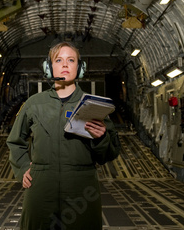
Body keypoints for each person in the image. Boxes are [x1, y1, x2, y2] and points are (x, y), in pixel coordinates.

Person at [7, 41, 120, 230]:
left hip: (81, 188)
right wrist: (23, 168)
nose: (65, 64)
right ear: (49, 67)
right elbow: (15, 141)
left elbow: (108, 154)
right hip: (40, 187)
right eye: (58, 60)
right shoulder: (34, 103)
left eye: (71, 60)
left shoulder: (93, 106)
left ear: (80, 68)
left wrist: (101, 138)